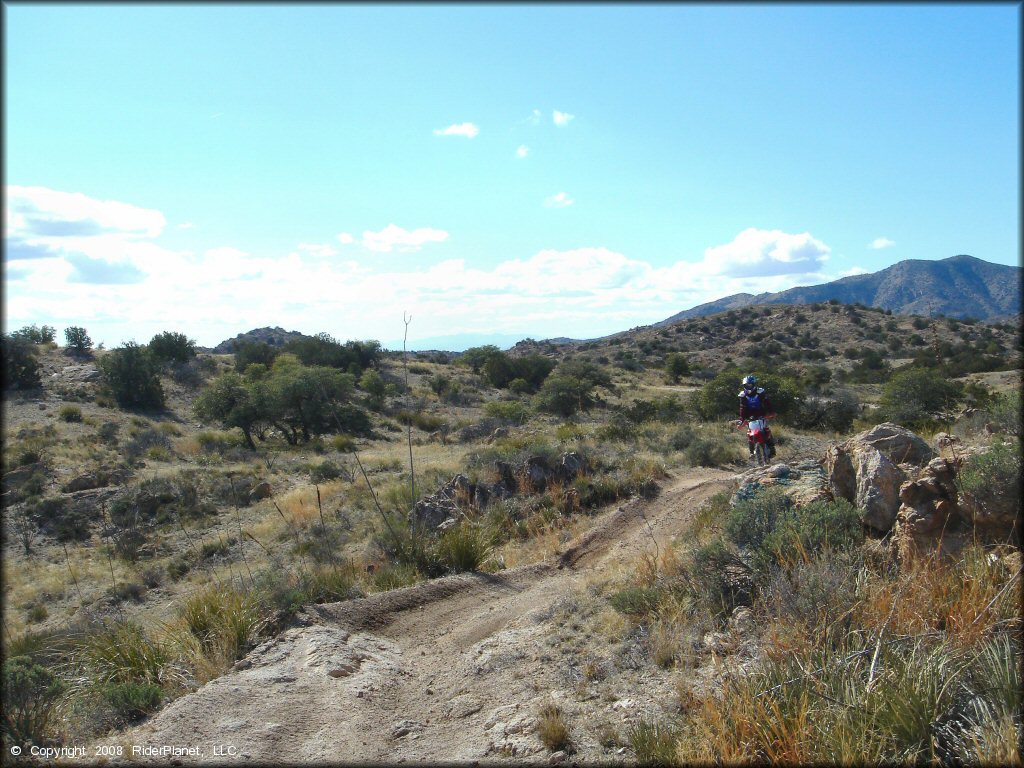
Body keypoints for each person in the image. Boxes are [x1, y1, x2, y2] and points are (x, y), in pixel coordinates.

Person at [738, 375, 776, 458]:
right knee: (749, 432)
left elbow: (767, 403)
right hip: (750, 416)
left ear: (754, 384)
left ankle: (771, 447)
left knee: (766, 428)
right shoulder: (742, 395)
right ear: (744, 385)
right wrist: (741, 420)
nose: (748, 387)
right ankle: (751, 452)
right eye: (747, 385)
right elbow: (742, 408)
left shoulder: (760, 392)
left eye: (750, 385)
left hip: (761, 414)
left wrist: (771, 412)